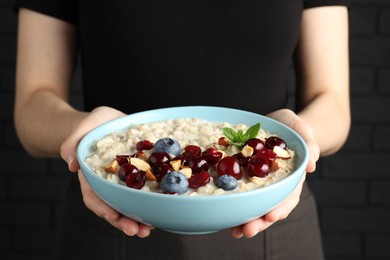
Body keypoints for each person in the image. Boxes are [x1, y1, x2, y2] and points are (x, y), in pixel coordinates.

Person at [14, 1, 350, 259]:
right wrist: (86, 134)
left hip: (272, 222)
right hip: (110, 217)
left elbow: (331, 102)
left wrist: (298, 139)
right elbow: (32, 106)